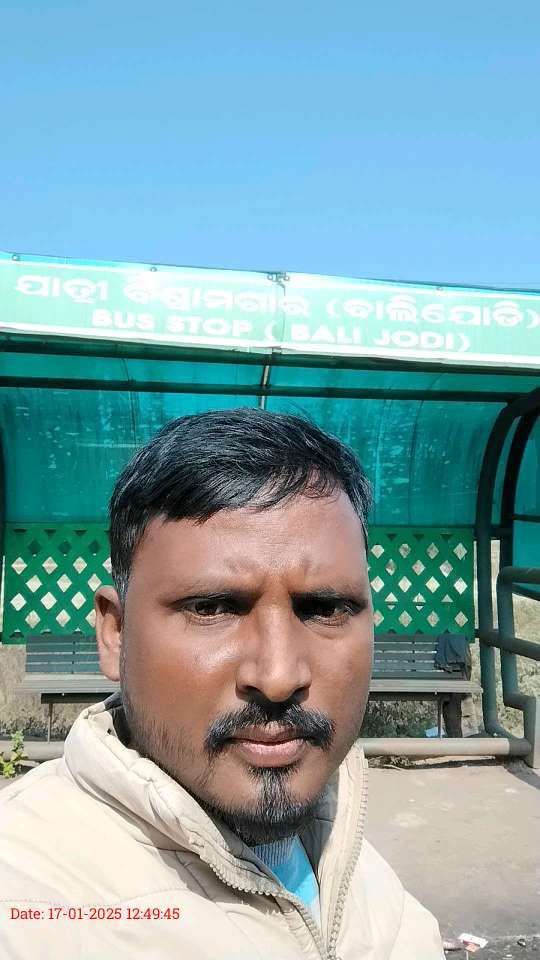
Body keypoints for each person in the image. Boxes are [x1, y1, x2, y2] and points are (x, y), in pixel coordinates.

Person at [0, 407, 445, 959]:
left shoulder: (357, 867)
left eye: (325, 608)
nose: (278, 677)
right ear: (115, 634)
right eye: (211, 608)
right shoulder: (28, 906)